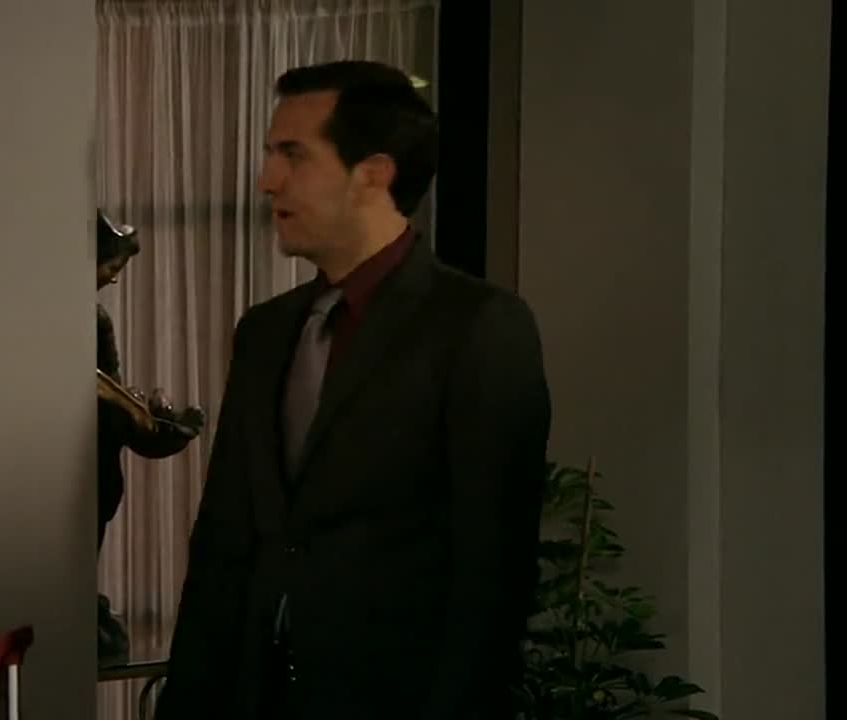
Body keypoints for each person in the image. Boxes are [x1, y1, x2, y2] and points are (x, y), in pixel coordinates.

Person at [155, 62, 551, 719]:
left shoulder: (477, 328)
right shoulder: (265, 333)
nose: (267, 180)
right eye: (270, 154)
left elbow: (493, 578)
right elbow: (224, 547)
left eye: (293, 155)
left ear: (373, 173)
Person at [95, 209, 204, 665]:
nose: (114, 278)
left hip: (96, 461)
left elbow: (112, 389)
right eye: (111, 266)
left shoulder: (96, 319)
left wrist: (143, 411)